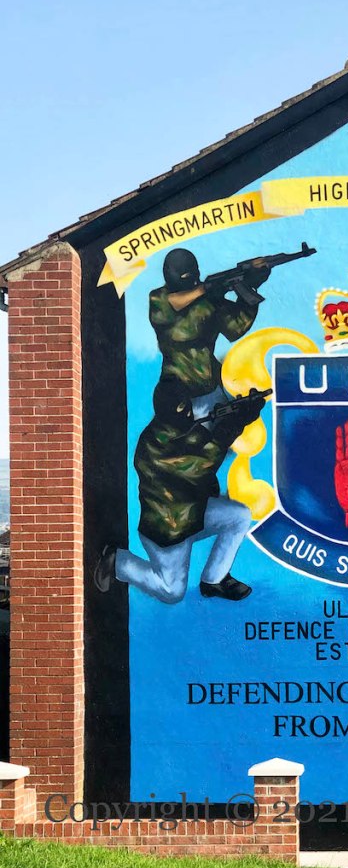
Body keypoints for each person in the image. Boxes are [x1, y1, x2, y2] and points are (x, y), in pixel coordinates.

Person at [94, 380, 266, 603]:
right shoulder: (155, 446)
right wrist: (236, 423)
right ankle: (118, 562)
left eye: (186, 406)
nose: (187, 413)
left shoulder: (183, 429)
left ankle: (214, 580)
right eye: (180, 408)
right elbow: (200, 463)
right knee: (172, 592)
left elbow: (209, 443)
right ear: (166, 411)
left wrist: (238, 416)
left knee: (239, 516)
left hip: (193, 514)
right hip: (169, 528)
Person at [150, 247, 269, 419]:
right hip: (177, 398)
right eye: (185, 276)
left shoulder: (209, 302)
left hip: (209, 390)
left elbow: (236, 328)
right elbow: (174, 318)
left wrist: (249, 289)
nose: (191, 280)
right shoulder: (159, 299)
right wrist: (206, 289)